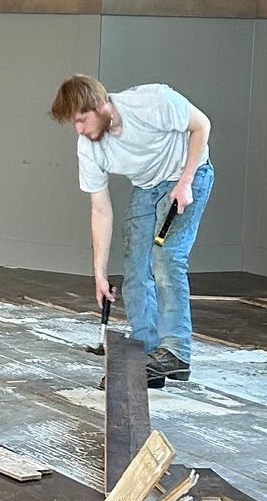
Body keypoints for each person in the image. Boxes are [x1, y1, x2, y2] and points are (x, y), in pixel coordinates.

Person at [51, 74, 213, 383]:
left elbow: (201, 125)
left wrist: (186, 181)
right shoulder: (88, 147)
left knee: (166, 259)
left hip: (189, 175)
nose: (80, 130)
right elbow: (100, 209)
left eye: (82, 120)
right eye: (74, 124)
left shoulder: (152, 101)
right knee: (136, 272)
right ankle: (147, 357)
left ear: (101, 105)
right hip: (147, 187)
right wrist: (98, 273)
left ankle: (176, 352)